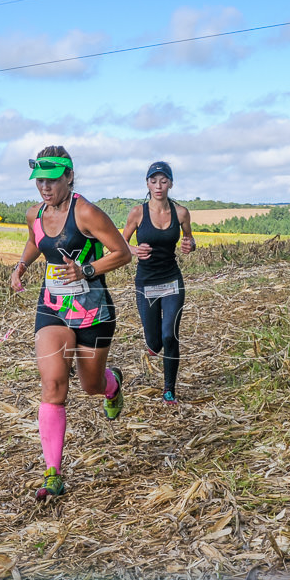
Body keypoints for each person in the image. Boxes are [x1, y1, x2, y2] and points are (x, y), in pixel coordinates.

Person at [9, 145, 132, 501]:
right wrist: (22, 267)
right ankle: (53, 475)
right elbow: (36, 241)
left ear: (69, 176)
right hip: (52, 308)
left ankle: (112, 386)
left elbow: (121, 252)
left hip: (92, 311)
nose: (45, 187)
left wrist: (87, 270)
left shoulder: (88, 212)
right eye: (39, 181)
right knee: (53, 386)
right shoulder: (35, 212)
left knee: (89, 386)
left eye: (52, 180)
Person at [122, 161, 195, 405]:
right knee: (153, 340)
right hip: (146, 282)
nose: (159, 186)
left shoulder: (181, 212)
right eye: (154, 181)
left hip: (172, 280)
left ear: (171, 183)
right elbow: (120, 244)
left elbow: (189, 238)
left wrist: (190, 245)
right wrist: (134, 250)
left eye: (164, 181)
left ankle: (169, 390)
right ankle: (154, 345)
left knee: (169, 336)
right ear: (147, 184)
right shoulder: (137, 213)